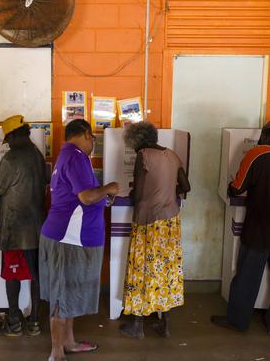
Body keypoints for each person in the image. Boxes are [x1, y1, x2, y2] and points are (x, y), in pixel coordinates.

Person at [211, 120, 270, 336]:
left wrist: (231, 187)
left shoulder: (256, 154)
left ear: (263, 136)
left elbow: (237, 188)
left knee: (247, 277)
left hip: (259, 230)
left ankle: (238, 321)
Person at [39, 119, 119, 361]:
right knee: (61, 293)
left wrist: (103, 195)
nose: (93, 143)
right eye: (93, 138)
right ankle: (56, 353)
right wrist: (108, 188)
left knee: (68, 292)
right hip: (68, 239)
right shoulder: (76, 156)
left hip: (71, 237)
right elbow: (85, 197)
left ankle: (69, 343)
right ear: (85, 134)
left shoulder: (67, 155)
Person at [118, 122, 190, 339]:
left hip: (147, 221)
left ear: (136, 140)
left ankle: (137, 326)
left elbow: (138, 194)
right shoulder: (172, 154)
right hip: (170, 223)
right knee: (165, 269)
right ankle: (164, 325)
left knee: (142, 269)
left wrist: (129, 192)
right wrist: (166, 190)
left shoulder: (143, 155)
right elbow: (186, 187)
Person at [0, 115, 47, 337]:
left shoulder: (11, 159)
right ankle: (35, 322)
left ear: (12, 136)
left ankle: (13, 322)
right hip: (37, 227)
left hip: (15, 229)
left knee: (12, 274)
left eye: (7, 139)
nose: (8, 143)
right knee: (36, 275)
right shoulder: (38, 156)